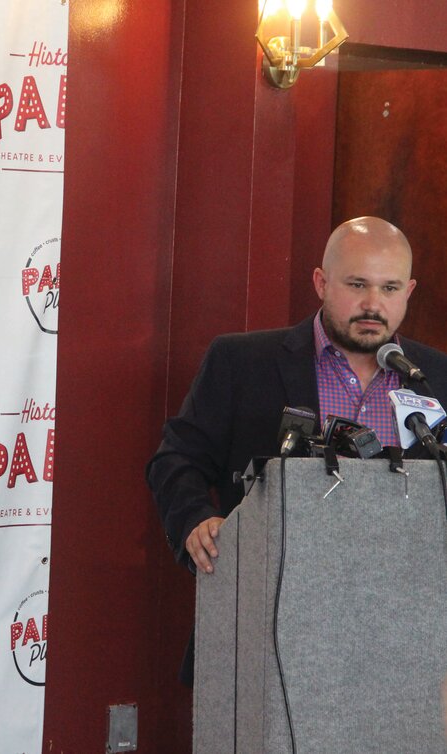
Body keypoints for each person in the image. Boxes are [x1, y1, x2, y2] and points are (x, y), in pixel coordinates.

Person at [146, 217, 447, 684]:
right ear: (321, 283)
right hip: (271, 625)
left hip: (403, 638)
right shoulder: (243, 362)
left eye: (389, 288)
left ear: (409, 291)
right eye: (357, 284)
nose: (373, 304)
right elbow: (177, 457)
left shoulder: (435, 377)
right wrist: (193, 521)